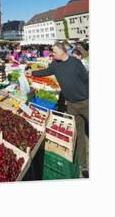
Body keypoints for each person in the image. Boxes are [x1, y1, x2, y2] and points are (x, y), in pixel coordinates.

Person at [28, 41, 89, 178]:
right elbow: (45, 72)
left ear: (62, 51)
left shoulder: (75, 63)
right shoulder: (55, 65)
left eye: (54, 51)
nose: (52, 53)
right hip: (71, 105)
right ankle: (83, 166)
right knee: (78, 134)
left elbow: (86, 79)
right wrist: (31, 72)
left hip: (85, 102)